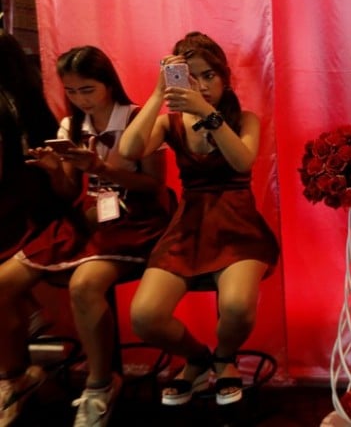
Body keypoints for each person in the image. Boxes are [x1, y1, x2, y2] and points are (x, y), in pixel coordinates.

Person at [0, 45, 170, 427]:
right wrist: (54, 171)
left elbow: (154, 184)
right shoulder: (71, 125)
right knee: (3, 282)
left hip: (135, 218)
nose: (80, 100)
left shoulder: (138, 117)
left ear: (109, 84)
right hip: (90, 217)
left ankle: (99, 385)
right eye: (72, 92)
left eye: (88, 90)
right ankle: (14, 377)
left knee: (84, 285)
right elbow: (66, 192)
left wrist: (102, 168)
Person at [120, 31, 279, 408]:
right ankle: (197, 357)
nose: (202, 85)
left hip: (238, 225)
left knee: (238, 305)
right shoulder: (169, 123)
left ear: (224, 77)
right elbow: (128, 150)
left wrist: (208, 114)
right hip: (188, 227)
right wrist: (160, 94)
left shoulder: (246, 119)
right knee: (145, 316)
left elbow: (242, 160)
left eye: (209, 75)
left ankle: (224, 358)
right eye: (191, 77)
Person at [0, 32, 61, 426]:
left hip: (17, 209)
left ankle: (13, 378)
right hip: (35, 204)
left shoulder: (6, 105)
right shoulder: (30, 100)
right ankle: (18, 371)